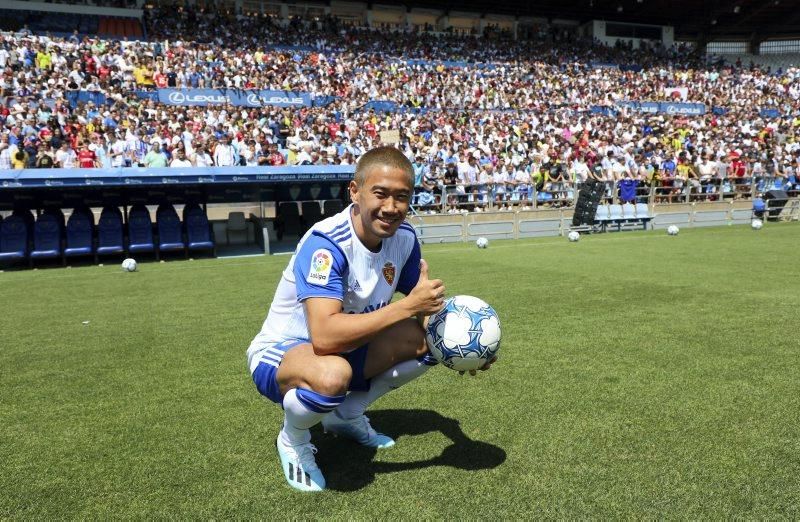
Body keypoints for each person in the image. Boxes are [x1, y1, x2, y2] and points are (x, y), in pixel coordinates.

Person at [246, 146, 493, 493]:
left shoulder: (403, 239)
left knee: (429, 342)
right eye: (381, 194)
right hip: (283, 352)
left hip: (348, 347)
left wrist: (466, 345)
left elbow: (423, 311)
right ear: (355, 192)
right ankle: (294, 438)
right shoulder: (327, 244)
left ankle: (346, 416)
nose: (391, 208)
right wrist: (407, 308)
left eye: (402, 197)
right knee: (333, 375)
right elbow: (325, 338)